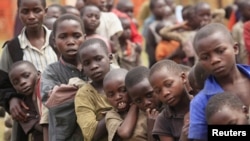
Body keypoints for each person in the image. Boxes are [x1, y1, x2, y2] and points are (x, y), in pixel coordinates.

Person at [0, 0, 58, 140]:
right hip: (32, 122)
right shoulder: (12, 48)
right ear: (18, 13)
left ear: (45, 12)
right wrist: (11, 99)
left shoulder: (58, 39)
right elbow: (3, 84)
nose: (31, 16)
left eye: (36, 10)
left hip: (64, 114)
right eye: (25, 12)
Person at [188, 23, 250, 141]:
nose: (214, 60)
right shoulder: (200, 103)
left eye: (220, 51)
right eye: (205, 57)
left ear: (235, 48)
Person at [41, 14, 87, 141]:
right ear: (54, 42)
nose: (71, 41)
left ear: (85, 38)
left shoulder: (94, 67)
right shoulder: (51, 71)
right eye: (63, 37)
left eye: (76, 36)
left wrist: (67, 92)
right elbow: (52, 99)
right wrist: (89, 91)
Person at [75, 38, 114, 141]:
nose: (94, 66)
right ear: (82, 68)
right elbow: (91, 134)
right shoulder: (84, 95)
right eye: (87, 63)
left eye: (98, 59)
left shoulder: (125, 81)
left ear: (110, 58)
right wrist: (115, 113)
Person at [148, 59, 191, 141]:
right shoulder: (163, 120)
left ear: (183, 78)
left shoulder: (202, 103)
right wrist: (184, 136)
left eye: (168, 84)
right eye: (158, 91)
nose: (165, 93)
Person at [104, 68, 148, 141]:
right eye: (111, 95)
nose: (118, 97)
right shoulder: (112, 115)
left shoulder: (144, 106)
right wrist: (134, 106)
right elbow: (125, 132)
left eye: (123, 90)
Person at [125, 66, 162, 141]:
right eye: (138, 101)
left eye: (149, 95)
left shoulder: (170, 104)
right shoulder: (139, 126)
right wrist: (151, 127)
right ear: (133, 102)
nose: (146, 103)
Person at [8, 61, 43, 141]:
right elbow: (44, 129)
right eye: (16, 82)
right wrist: (35, 102)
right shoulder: (21, 108)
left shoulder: (52, 89)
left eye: (26, 76)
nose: (22, 82)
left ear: (38, 74)